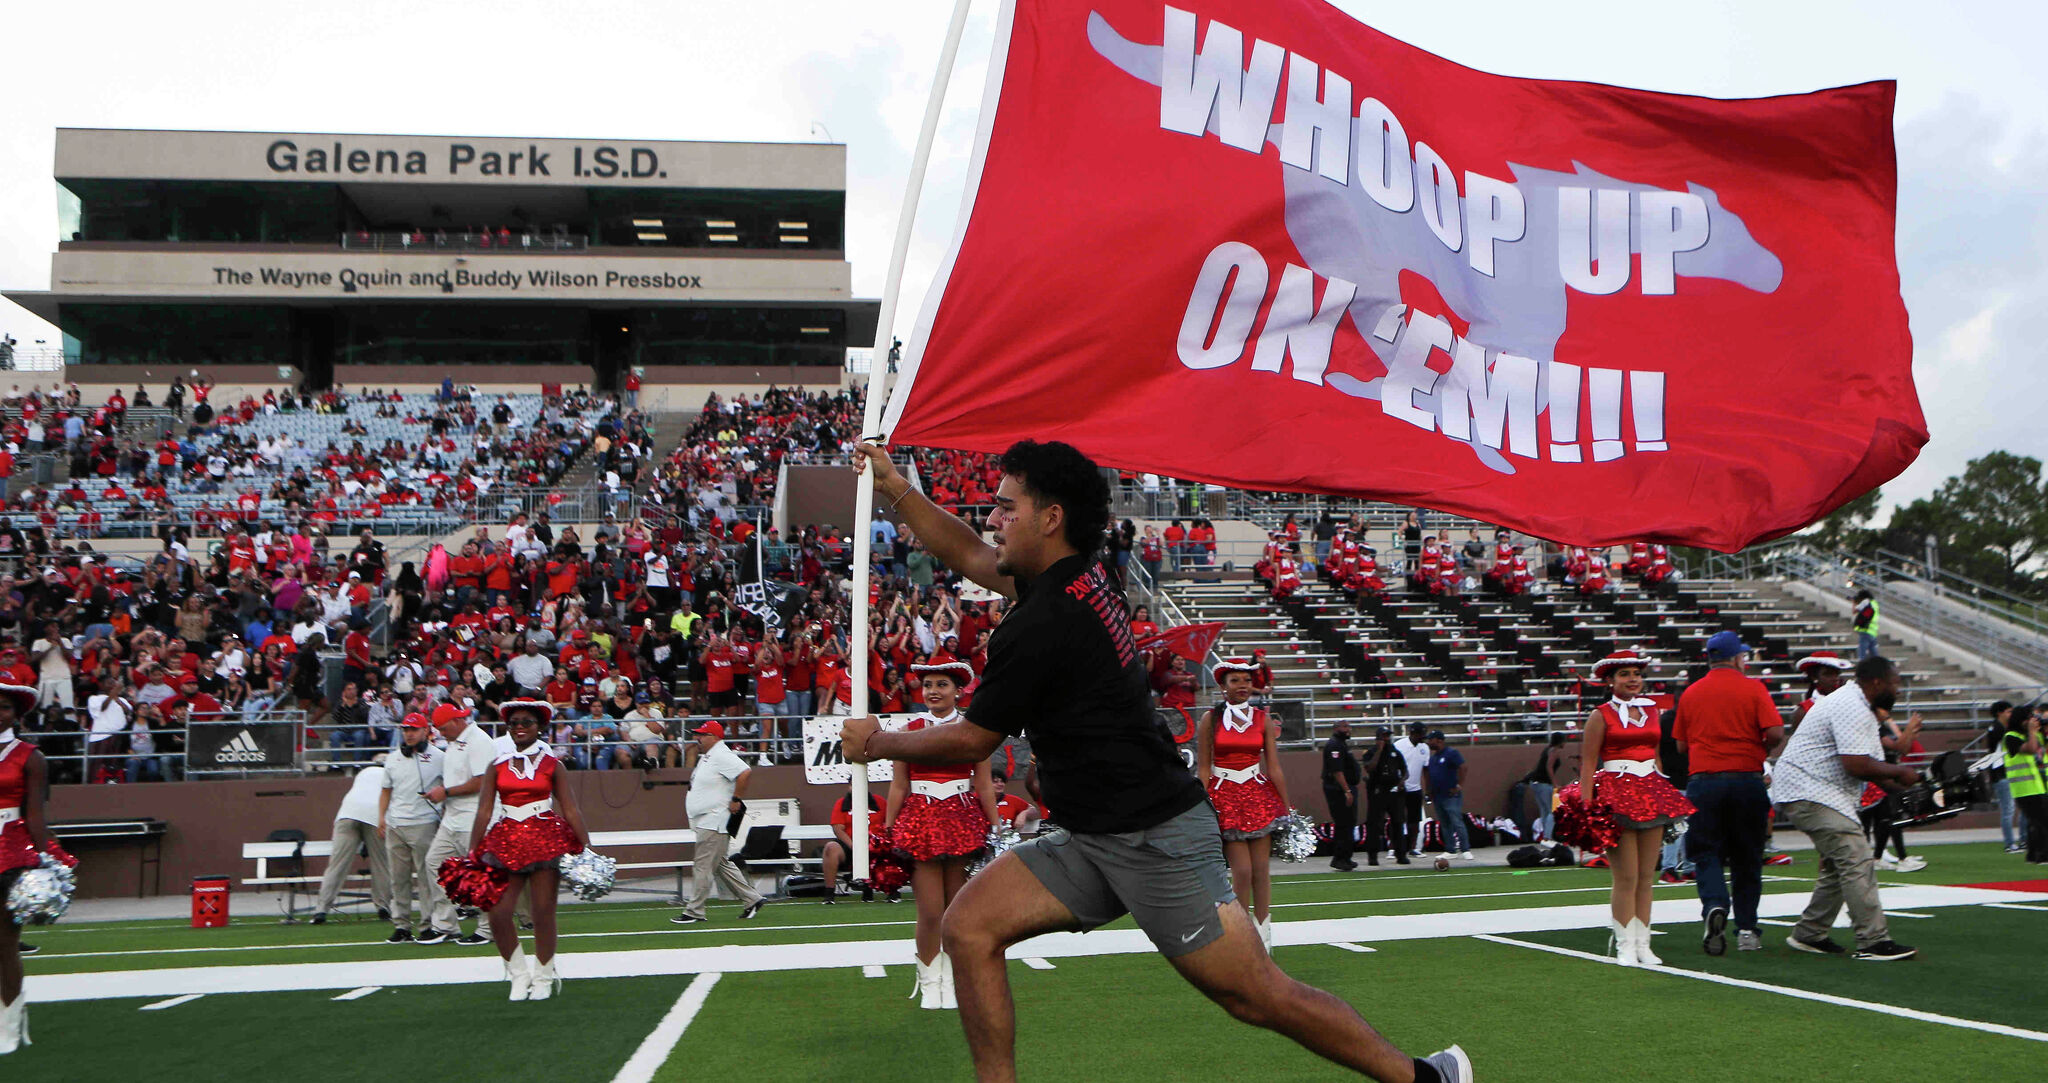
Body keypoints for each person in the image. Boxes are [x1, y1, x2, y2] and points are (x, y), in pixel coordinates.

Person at [845, 439, 1469, 1083]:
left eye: (1006, 508)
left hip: (1154, 837)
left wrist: (876, 740)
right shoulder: (1080, 566)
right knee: (969, 929)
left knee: (1255, 995)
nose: (992, 521)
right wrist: (894, 488)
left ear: (1050, 517)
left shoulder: (1045, 620)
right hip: (1094, 834)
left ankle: (1422, 1079)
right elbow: (974, 556)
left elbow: (971, 740)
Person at [1768, 656, 1921, 961]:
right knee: (1856, 854)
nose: (1898, 690)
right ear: (1876, 682)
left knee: (1840, 864)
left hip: (1816, 790)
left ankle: (1809, 934)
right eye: (1895, 683)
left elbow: (1871, 769)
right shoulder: (1851, 704)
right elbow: (1856, 765)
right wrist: (1901, 775)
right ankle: (1873, 940)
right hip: (1809, 789)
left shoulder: (1858, 706)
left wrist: (1908, 792)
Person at [1555, 650, 1696, 965]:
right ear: (1610, 680)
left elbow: (1656, 755)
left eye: (1637, 674)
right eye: (1625, 674)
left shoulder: (1652, 709)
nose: (1633, 680)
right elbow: (1589, 761)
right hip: (1615, 793)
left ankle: (1643, 943)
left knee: (1647, 875)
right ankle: (1624, 945)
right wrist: (1589, 805)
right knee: (1626, 877)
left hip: (1651, 791)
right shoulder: (1600, 714)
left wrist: (1662, 786)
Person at [885, 661, 998, 1009]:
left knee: (956, 911)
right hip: (920, 819)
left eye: (942, 684)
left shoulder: (973, 730)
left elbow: (982, 783)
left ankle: (954, 981)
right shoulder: (908, 729)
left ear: (958, 690)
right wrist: (888, 828)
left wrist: (996, 826)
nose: (934, 691)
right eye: (928, 685)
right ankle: (929, 980)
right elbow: (899, 783)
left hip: (962, 818)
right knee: (931, 911)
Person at [1672, 632, 1786, 957]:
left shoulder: (1692, 693)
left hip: (1703, 781)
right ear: (1737, 658)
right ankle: (1748, 929)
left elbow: (1681, 745)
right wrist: (1755, 749)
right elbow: (1775, 732)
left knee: (1705, 851)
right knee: (1747, 856)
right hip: (1747, 778)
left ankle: (1714, 904)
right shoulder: (1753, 688)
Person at [470, 700, 590, 1000]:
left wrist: (586, 848)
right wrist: (472, 852)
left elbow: (570, 809)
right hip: (506, 838)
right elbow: (484, 811)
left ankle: (544, 977)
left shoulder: (553, 765)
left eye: (526, 722)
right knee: (498, 912)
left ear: (540, 727)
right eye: (513, 723)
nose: (519, 727)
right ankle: (518, 975)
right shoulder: (496, 766)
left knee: (542, 912)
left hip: (545, 837)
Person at [2, 682, 74, 1054]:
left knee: (4, 944)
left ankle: (10, 1029)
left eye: (4, 707)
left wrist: (44, 861)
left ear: (16, 714)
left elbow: (36, 815)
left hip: (10, 854)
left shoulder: (31, 757)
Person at [1199, 659, 1292, 948]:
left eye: (1246, 680)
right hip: (1224, 794)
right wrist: (1200, 806)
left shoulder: (1263, 718)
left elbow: (1273, 766)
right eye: (1235, 681)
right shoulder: (1209, 720)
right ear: (1223, 687)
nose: (1242, 686)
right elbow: (1203, 768)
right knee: (1242, 870)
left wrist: (1286, 807)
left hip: (1257, 794)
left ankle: (1264, 936)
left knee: (1262, 870)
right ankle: (1241, 938)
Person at [670, 721, 766, 924]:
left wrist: (736, 799)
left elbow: (745, 771)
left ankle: (694, 911)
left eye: (702, 735)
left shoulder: (721, 755)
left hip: (714, 819)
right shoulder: (709, 757)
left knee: (702, 866)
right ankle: (752, 898)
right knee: (721, 864)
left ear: (714, 737)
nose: (698, 738)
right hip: (707, 819)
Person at [419, 702, 498, 946]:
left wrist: (446, 792)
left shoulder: (479, 741)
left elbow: (482, 782)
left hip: (476, 818)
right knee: (434, 862)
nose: (440, 734)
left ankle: (488, 929)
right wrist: (445, 800)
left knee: (482, 873)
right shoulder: (454, 742)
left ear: (456, 722)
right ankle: (445, 925)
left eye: (443, 728)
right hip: (454, 818)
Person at [379, 712, 442, 943]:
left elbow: (449, 787)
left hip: (424, 823)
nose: (409, 734)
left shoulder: (439, 757)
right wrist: (382, 818)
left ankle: (428, 924)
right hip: (396, 824)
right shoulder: (393, 758)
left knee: (426, 878)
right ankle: (402, 925)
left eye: (414, 729)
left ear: (426, 731)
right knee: (398, 878)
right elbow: (386, 789)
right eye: (406, 730)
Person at [309, 753, 394, 924]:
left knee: (337, 864)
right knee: (381, 864)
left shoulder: (363, 773)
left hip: (347, 814)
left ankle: (321, 909)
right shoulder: (391, 774)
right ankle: (383, 906)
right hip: (374, 816)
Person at [1359, 726, 1411, 866]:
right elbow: (1370, 768)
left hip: (1394, 791)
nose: (1387, 739)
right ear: (1378, 738)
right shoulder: (1371, 752)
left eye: (1388, 736)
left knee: (1398, 823)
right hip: (1377, 791)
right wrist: (1380, 750)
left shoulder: (1395, 752)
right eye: (1384, 736)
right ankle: (1373, 856)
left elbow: (1405, 770)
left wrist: (1401, 781)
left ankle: (1401, 854)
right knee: (1374, 824)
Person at [2002, 702, 2046, 864]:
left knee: (2035, 822)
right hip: (2023, 788)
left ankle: (2033, 855)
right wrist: (2033, 732)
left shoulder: (2027, 735)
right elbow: (2031, 749)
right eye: (2030, 718)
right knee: (2041, 822)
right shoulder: (2011, 737)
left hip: (2036, 785)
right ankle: (2043, 855)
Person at [1320, 718, 1360, 871]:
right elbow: (1337, 771)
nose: (1348, 729)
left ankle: (1346, 857)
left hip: (1344, 788)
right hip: (1338, 790)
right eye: (1344, 726)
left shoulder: (1341, 744)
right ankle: (1340, 858)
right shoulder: (1334, 745)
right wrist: (1347, 791)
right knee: (1344, 823)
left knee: (1348, 823)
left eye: (1349, 726)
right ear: (1336, 728)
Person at [1394, 723, 1429, 858]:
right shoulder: (1400, 745)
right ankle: (1393, 848)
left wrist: (1427, 789)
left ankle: (1412, 848)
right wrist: (1397, 782)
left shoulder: (1424, 748)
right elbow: (1394, 765)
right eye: (1420, 734)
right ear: (1413, 733)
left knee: (1414, 820)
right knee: (1397, 819)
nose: (1422, 737)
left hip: (1415, 788)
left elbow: (1426, 769)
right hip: (1399, 788)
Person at [1851, 590, 1880, 660]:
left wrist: (1854, 602)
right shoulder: (1875, 603)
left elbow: (1854, 611)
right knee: (1873, 652)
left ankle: (1862, 666)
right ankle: (1878, 665)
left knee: (1862, 653)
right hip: (1873, 630)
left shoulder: (1866, 601)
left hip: (1865, 629)